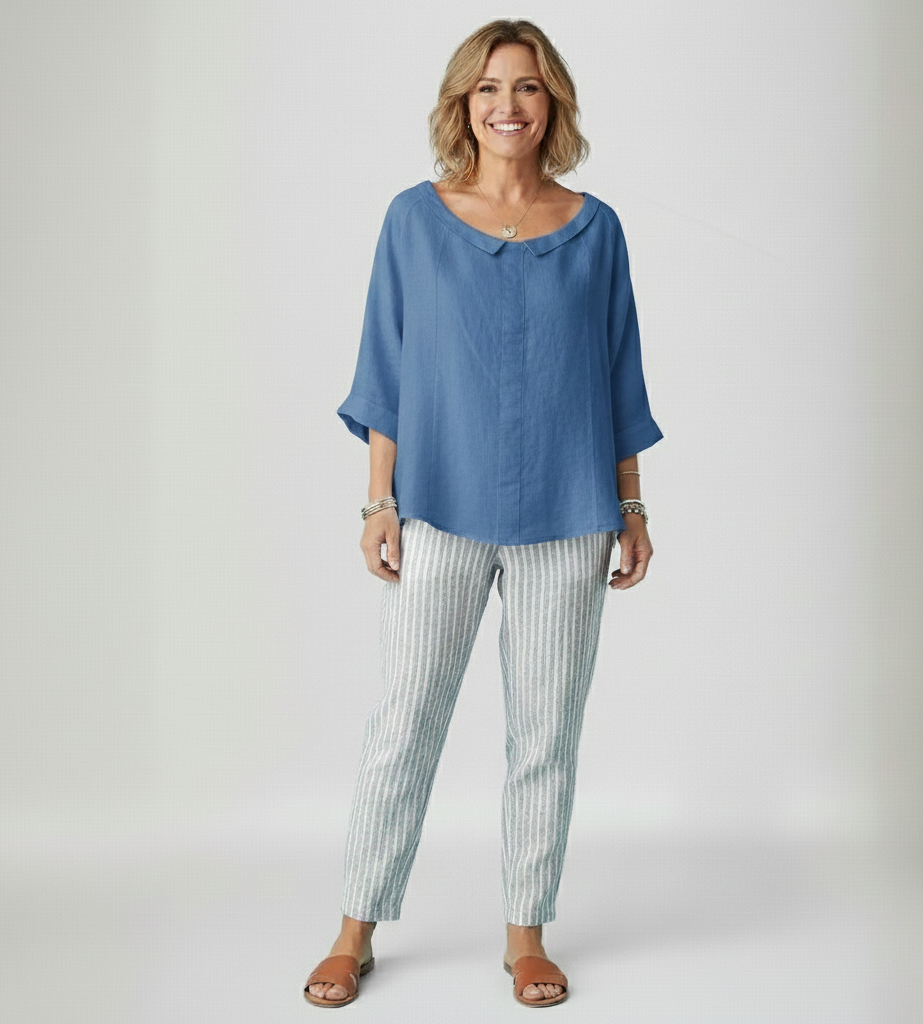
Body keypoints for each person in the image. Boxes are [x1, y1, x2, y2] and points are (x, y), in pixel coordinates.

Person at [303, 18, 662, 1009]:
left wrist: (631, 503)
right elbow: (387, 365)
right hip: (438, 507)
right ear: (463, 104)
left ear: (554, 104)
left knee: (545, 735)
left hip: (571, 508)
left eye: (529, 86)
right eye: (489, 87)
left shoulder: (595, 228)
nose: (509, 104)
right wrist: (379, 500)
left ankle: (526, 936)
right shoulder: (413, 220)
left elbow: (619, 373)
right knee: (403, 721)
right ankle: (354, 927)